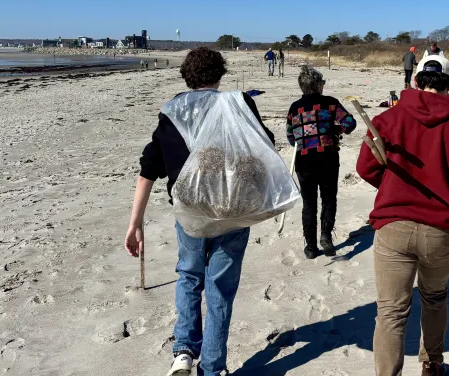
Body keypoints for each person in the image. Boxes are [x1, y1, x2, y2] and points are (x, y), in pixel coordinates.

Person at [125, 47, 275, 376]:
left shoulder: (173, 111)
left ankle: (183, 351)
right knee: (220, 288)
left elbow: (149, 168)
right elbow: (266, 143)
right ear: (220, 74)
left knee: (189, 277)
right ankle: (212, 367)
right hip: (233, 209)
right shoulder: (240, 103)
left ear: (187, 76)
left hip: (190, 211)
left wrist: (135, 222)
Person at [356, 55, 449, 376]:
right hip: (440, 232)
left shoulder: (388, 119)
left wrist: (392, 188)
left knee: (391, 313)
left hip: (394, 227)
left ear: (415, 80)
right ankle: (432, 364)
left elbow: (365, 168)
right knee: (434, 298)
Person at [286, 66, 357, 259]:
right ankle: (325, 235)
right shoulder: (330, 103)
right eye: (322, 82)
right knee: (329, 198)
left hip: (304, 161)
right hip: (327, 158)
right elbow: (350, 124)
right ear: (317, 85)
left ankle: (310, 247)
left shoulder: (295, 108)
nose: (323, 85)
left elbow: (291, 137)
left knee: (309, 203)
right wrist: (335, 129)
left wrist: (306, 138)